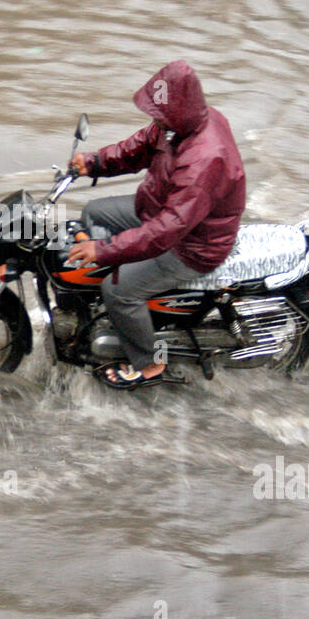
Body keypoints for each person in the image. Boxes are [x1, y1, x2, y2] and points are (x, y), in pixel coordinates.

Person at [66, 60, 246, 390]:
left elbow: (167, 230)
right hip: (159, 210)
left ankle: (149, 364)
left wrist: (104, 250)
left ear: (179, 108)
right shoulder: (174, 126)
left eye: (159, 113)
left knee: (117, 290)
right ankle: (112, 314)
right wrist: (94, 162)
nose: (154, 120)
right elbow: (139, 147)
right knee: (93, 212)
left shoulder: (206, 158)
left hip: (192, 245)